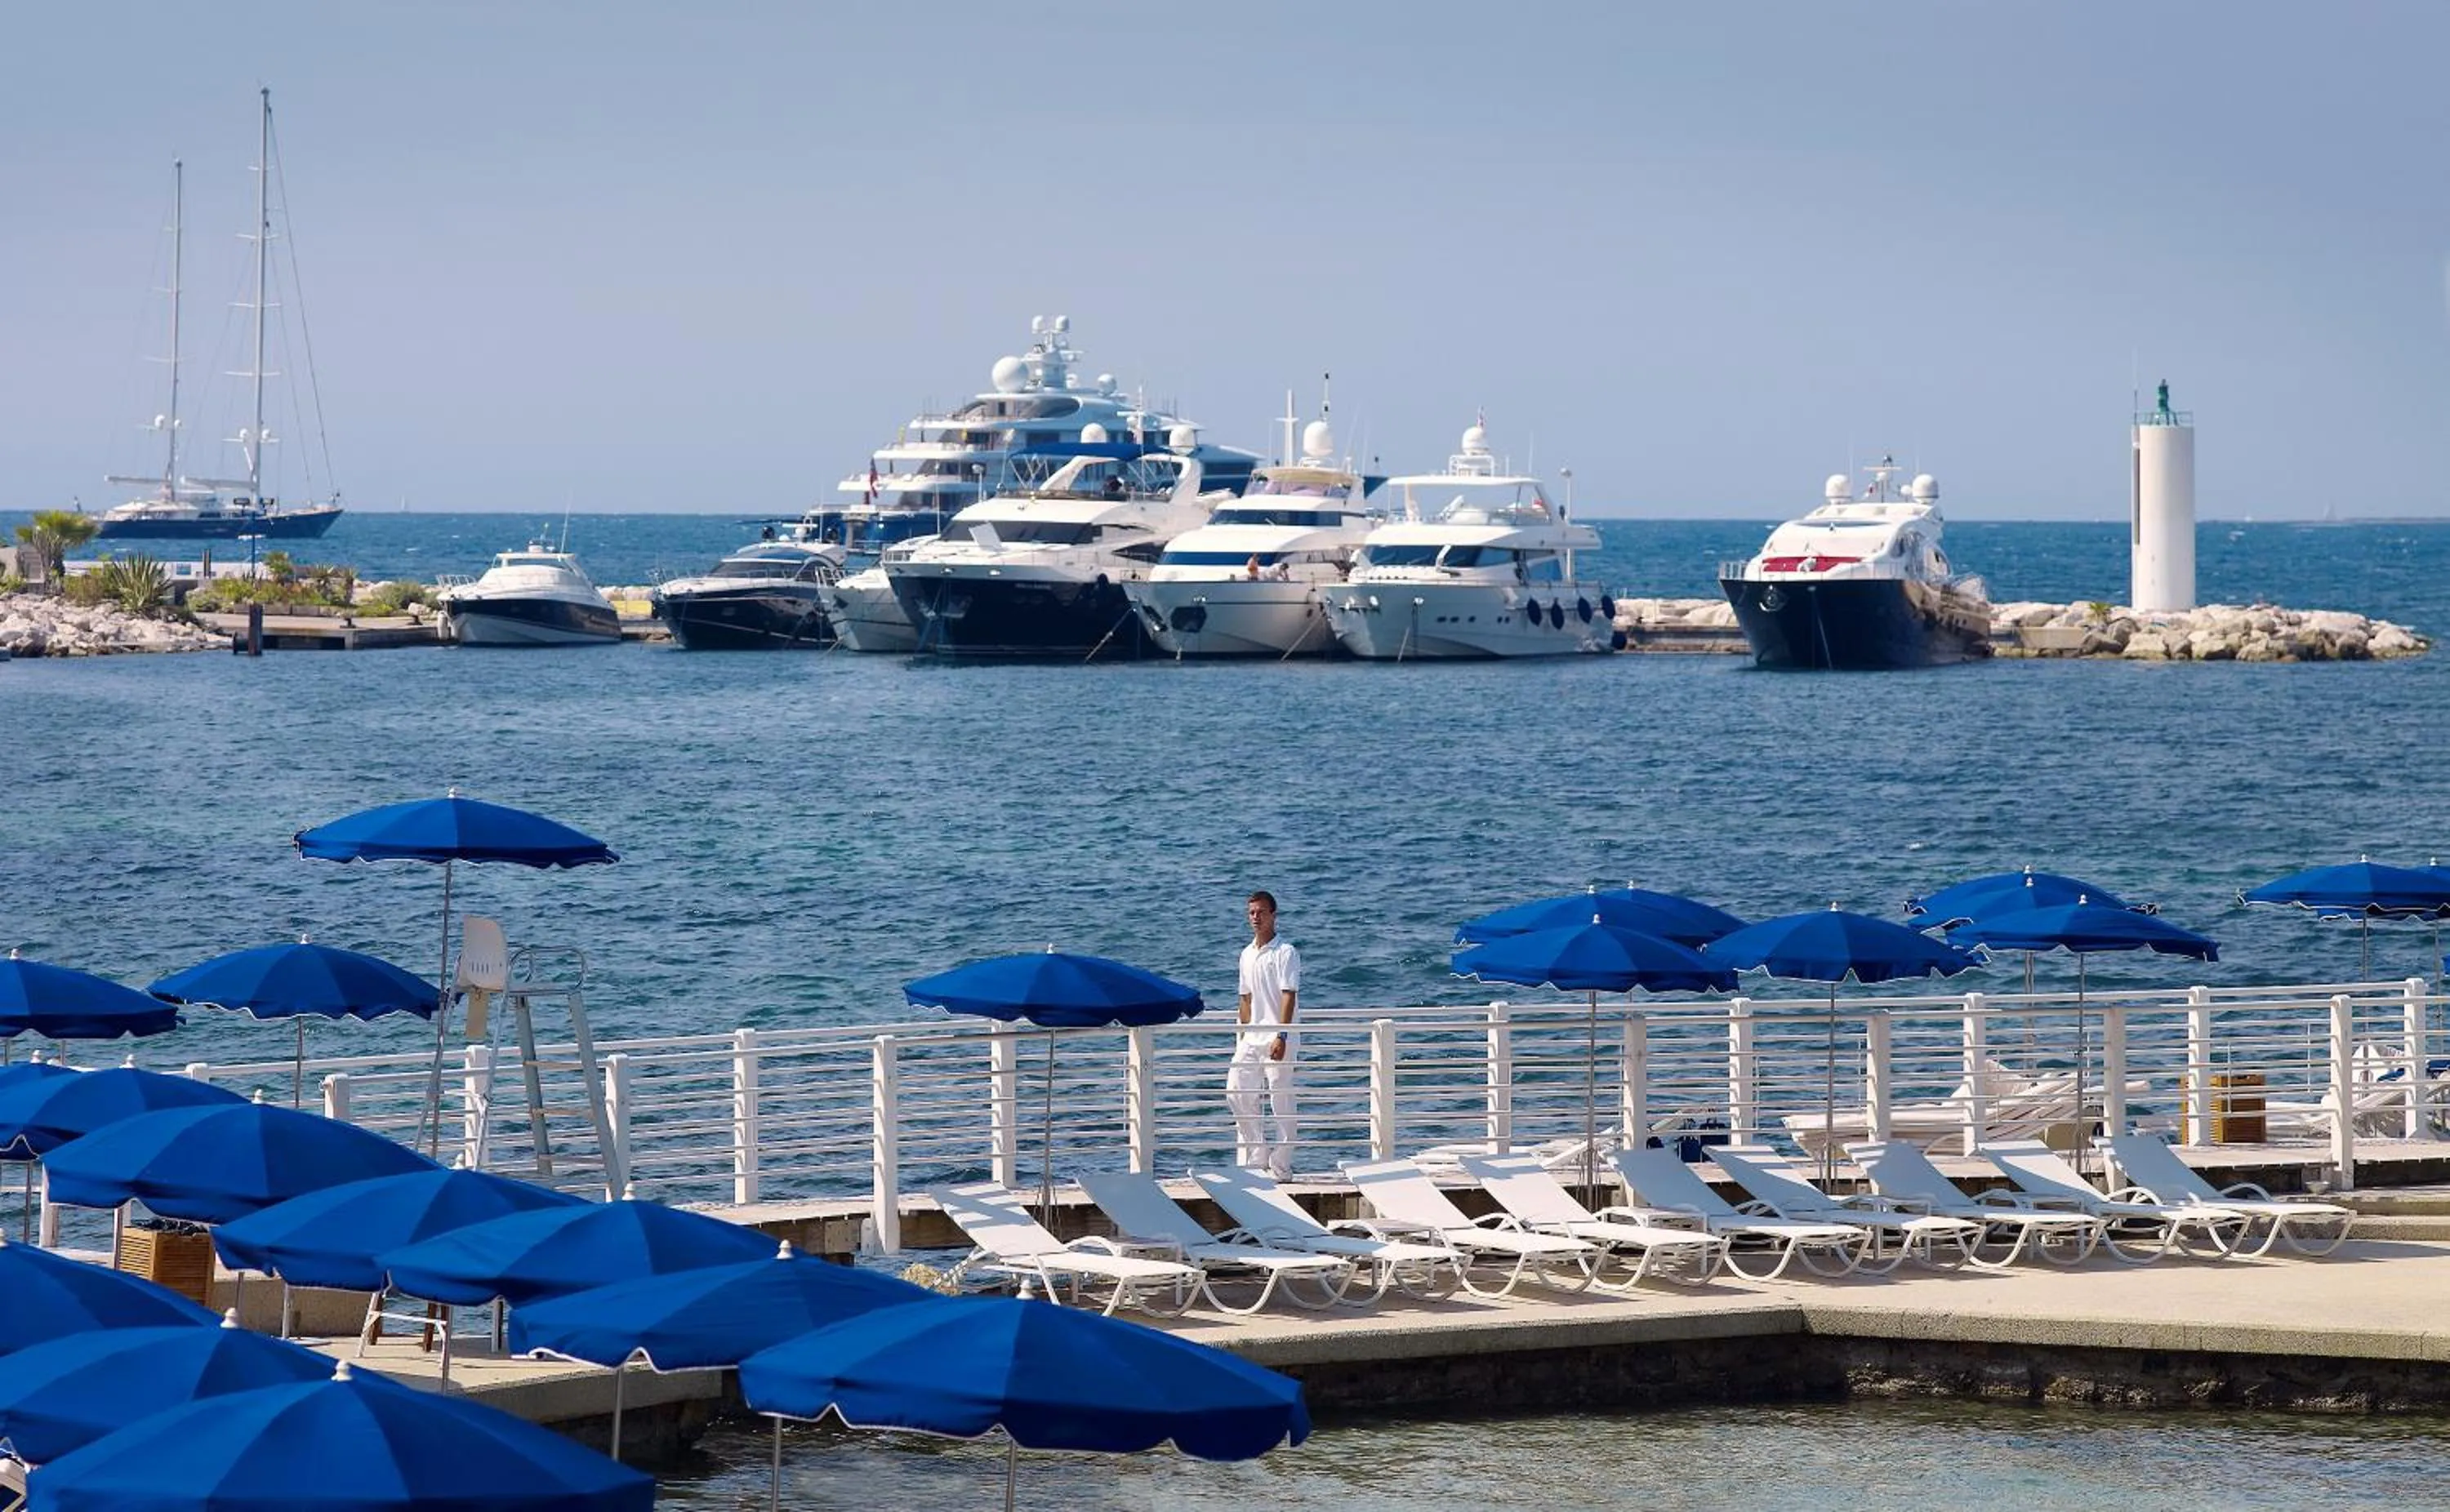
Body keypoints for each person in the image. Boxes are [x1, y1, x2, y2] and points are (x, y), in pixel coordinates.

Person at [1227, 889, 1300, 1178]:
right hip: (1252, 1037)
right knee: (1236, 1090)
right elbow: (1244, 998)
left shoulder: (1286, 952)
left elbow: (1288, 996)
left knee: (1280, 1099)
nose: (1255, 917)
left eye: (1261, 912)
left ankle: (1281, 1164)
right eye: (1252, 913)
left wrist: (1281, 1035)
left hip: (1279, 1036)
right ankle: (1258, 1153)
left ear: (1273, 915)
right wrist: (1243, 1033)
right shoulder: (1246, 954)